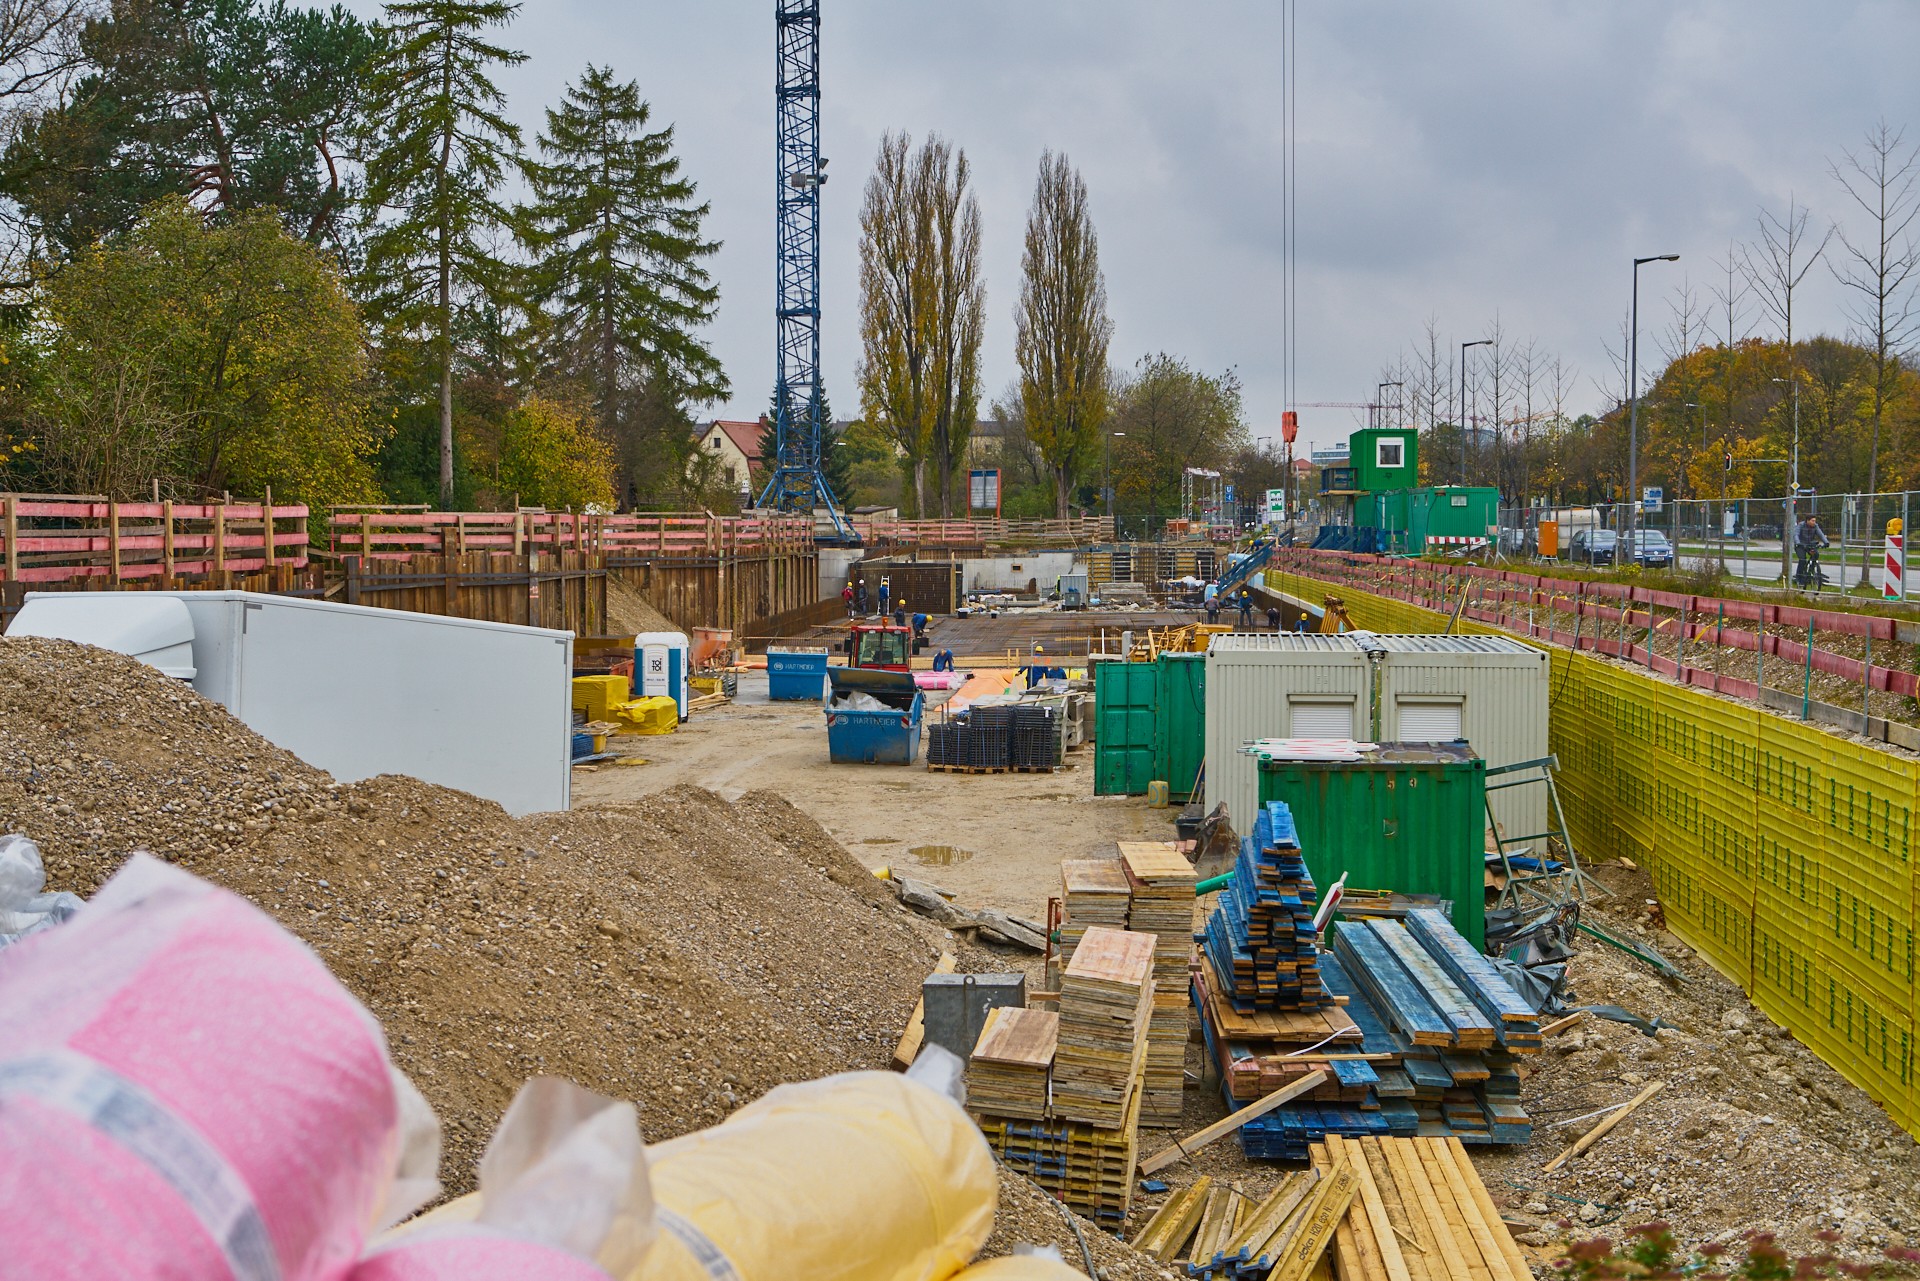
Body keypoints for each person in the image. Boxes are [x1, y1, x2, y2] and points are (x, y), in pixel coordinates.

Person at [1795, 514, 1830, 587]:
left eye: (1815, 521)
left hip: (1810, 544)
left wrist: (1826, 542)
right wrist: (1798, 543)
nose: (1814, 522)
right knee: (1802, 559)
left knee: (1816, 555)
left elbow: (1821, 534)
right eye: (1812, 521)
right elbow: (1796, 534)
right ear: (1807, 521)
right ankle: (1799, 578)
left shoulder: (1815, 526)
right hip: (1801, 545)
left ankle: (1812, 571)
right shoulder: (1801, 525)